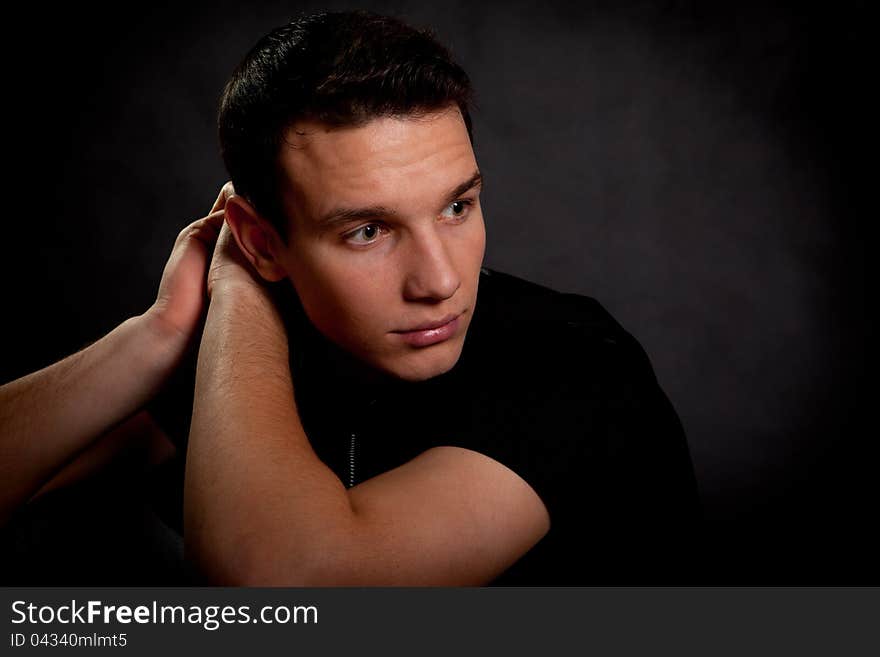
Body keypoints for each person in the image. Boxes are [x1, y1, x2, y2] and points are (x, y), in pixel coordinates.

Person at [0, 10, 701, 585]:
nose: (440, 281)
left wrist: (238, 284)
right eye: (368, 230)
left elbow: (288, 589)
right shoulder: (242, 360)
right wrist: (155, 333)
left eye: (458, 207)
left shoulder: (573, 362)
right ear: (264, 239)